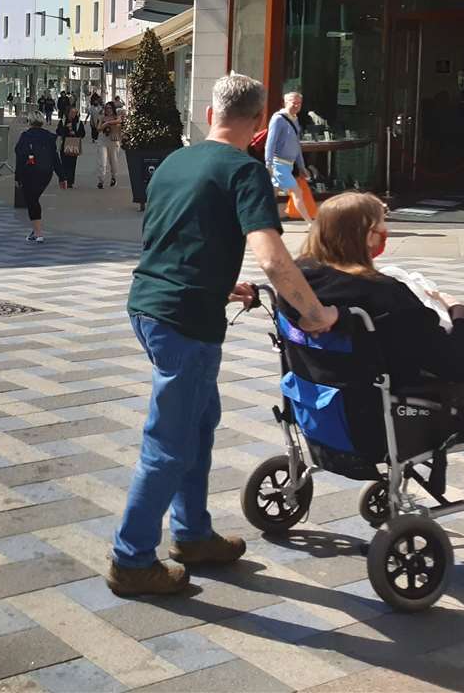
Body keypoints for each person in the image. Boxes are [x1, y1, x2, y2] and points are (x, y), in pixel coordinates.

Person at [108, 74, 338, 597]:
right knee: (169, 442)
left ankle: (191, 534)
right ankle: (130, 559)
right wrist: (315, 313)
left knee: (199, 421)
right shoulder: (244, 170)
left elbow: (171, 236)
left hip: (149, 306)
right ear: (258, 125)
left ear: (211, 114)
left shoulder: (174, 161)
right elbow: (272, 257)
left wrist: (218, 281)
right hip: (185, 320)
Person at [296, 193, 464, 395]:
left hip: (323, 395)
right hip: (385, 403)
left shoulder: (298, 283)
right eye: (382, 224)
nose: (386, 231)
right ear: (369, 236)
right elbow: (457, 364)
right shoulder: (383, 292)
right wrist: (458, 310)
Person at [265, 91, 317, 222]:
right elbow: (270, 143)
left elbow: (296, 145)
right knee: (297, 192)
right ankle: (310, 223)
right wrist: (268, 163)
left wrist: (301, 166)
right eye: (294, 103)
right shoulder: (278, 119)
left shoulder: (295, 119)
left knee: (272, 194)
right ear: (285, 102)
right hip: (279, 163)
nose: (297, 106)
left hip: (288, 164)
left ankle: (262, 218)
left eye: (299, 103)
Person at [14, 113, 60, 243]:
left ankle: (38, 233)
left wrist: (18, 176)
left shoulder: (26, 136)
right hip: (46, 172)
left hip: (29, 171)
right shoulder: (49, 137)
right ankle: (36, 230)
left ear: (30, 122)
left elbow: (20, 156)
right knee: (33, 199)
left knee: (31, 200)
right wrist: (62, 176)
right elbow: (55, 157)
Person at [56, 106, 86, 189]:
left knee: (72, 164)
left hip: (74, 144)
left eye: (75, 113)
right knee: (64, 163)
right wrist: (65, 129)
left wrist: (75, 133)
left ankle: (70, 181)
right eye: (71, 112)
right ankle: (63, 179)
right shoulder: (63, 121)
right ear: (68, 113)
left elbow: (83, 134)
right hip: (64, 144)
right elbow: (58, 131)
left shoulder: (78, 122)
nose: (73, 114)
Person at [98, 98, 123, 188]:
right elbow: (98, 128)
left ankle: (114, 177)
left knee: (114, 161)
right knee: (102, 161)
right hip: (103, 140)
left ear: (113, 109)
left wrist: (107, 123)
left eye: (110, 108)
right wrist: (103, 124)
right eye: (106, 108)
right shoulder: (102, 117)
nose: (108, 110)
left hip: (113, 141)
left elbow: (119, 121)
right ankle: (101, 180)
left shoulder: (117, 117)